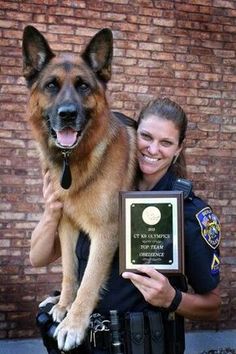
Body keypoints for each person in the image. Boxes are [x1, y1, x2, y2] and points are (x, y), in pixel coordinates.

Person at [30, 98, 221, 354]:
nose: (152, 149)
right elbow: (39, 257)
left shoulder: (189, 212)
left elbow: (213, 306)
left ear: (178, 149)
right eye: (146, 136)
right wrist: (52, 210)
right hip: (82, 344)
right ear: (132, 134)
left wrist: (172, 298)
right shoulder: (99, 197)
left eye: (166, 143)